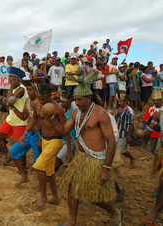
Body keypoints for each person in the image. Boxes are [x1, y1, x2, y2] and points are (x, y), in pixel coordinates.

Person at [53, 73, 124, 226]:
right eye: (75, 100)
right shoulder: (75, 113)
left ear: (88, 98)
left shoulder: (100, 113)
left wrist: (106, 168)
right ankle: (72, 220)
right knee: (72, 189)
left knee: (93, 196)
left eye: (79, 100)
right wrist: (52, 119)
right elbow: (64, 130)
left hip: (97, 160)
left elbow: (111, 141)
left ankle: (115, 212)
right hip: (82, 159)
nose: (76, 103)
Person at [20, 83, 65, 207]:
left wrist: (70, 149)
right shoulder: (36, 103)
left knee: (39, 166)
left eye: (44, 99)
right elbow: (34, 119)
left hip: (56, 140)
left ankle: (43, 196)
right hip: (45, 140)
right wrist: (25, 133)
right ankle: (55, 197)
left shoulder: (58, 108)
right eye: (39, 99)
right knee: (49, 171)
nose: (41, 101)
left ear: (50, 96)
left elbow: (65, 129)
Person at [9, 79, 39, 187]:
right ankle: (24, 176)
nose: (29, 92)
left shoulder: (42, 103)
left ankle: (42, 183)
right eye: (28, 89)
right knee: (12, 152)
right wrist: (13, 108)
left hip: (39, 135)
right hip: (28, 134)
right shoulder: (27, 101)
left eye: (31, 90)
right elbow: (24, 116)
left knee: (39, 164)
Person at [136, 107, 163, 225]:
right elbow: (150, 129)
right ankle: (155, 213)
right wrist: (142, 133)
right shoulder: (159, 115)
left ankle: (155, 213)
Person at [0, 67, 27, 165]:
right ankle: (8, 157)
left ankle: (23, 167)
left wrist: (11, 87)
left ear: (17, 78)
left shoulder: (21, 89)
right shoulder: (17, 88)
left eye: (11, 77)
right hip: (11, 119)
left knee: (20, 145)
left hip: (19, 121)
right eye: (9, 77)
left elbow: (9, 100)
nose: (9, 80)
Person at [55, 91, 76, 171]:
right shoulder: (63, 111)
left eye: (63, 102)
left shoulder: (73, 112)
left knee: (58, 158)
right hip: (64, 138)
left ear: (69, 102)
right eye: (61, 102)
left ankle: (50, 178)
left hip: (71, 139)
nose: (61, 104)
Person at [115, 95, 135, 168]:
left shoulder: (129, 111)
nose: (119, 103)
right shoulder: (120, 109)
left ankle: (132, 158)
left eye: (121, 101)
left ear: (125, 102)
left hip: (124, 133)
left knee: (122, 150)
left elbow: (130, 124)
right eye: (119, 101)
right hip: (117, 132)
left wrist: (129, 136)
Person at [143, 90, 163, 155]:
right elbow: (145, 120)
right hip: (152, 133)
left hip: (160, 134)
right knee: (153, 151)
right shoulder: (151, 109)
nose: (155, 102)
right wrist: (147, 128)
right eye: (154, 100)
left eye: (157, 100)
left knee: (157, 151)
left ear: (160, 100)